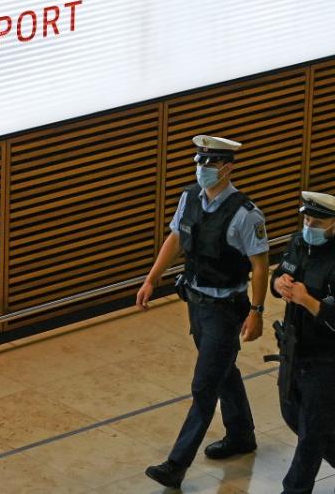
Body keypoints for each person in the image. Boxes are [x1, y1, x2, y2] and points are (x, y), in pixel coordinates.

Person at [136, 135, 270, 489]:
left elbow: (259, 266)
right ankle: (241, 435)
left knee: (204, 385)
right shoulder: (189, 198)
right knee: (223, 369)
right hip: (196, 303)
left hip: (227, 309)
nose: (202, 170)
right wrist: (152, 278)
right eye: (199, 163)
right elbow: (176, 238)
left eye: (209, 165)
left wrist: (256, 311)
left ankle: (176, 465)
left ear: (227, 168)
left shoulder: (245, 215)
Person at [269, 191, 335, 494]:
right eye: (306, 219)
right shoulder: (297, 244)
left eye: (317, 222)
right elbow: (280, 275)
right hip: (294, 350)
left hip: (327, 358)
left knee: (312, 432)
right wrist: (279, 285)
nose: (309, 226)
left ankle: (295, 489)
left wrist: (307, 301)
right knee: (295, 417)